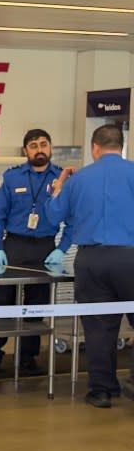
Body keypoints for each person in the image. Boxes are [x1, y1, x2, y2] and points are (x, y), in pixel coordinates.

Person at [45, 124, 134, 408]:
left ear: (95, 147)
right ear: (120, 146)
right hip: (131, 257)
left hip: (92, 261)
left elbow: (53, 217)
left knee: (98, 327)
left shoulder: (78, 180)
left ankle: (102, 391)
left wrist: (57, 189)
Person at [0, 129, 72, 378]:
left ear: (51, 147)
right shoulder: (11, 177)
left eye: (44, 144)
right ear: (26, 151)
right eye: (33, 145)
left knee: (37, 306)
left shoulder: (62, 178)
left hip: (45, 247)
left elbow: (73, 218)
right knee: (2, 304)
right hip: (14, 246)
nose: (39, 149)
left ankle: (27, 357)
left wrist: (61, 249)